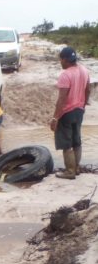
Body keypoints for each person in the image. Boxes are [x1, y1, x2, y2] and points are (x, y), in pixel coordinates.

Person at [50, 46, 90, 179]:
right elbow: (88, 89)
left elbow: (62, 99)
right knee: (76, 140)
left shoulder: (65, 75)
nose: (60, 62)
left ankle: (70, 171)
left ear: (66, 60)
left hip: (67, 113)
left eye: (61, 59)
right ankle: (77, 168)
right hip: (79, 111)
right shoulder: (84, 70)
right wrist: (83, 104)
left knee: (66, 144)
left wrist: (55, 118)